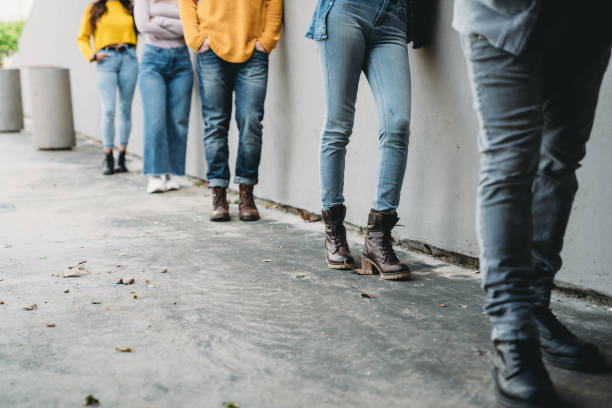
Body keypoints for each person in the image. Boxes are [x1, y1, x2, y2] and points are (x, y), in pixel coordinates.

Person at [453, 1, 611, 406]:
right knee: (509, 164)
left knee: (559, 161)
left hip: (587, 21)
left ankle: (535, 308)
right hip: (503, 13)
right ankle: (512, 333)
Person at [306, 0, 426, 280]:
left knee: (398, 123)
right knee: (339, 124)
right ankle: (334, 231)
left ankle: (377, 237)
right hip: (346, 11)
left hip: (393, 17)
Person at [178, 0, 283, 221]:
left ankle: (246, 193)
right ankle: (218, 194)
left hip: (253, 51)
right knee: (215, 124)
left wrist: (267, 40)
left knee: (251, 122)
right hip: (211, 51)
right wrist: (197, 40)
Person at [135, 0, 193, 193]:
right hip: (153, 61)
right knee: (155, 120)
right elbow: (143, 25)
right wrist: (179, 27)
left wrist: (159, 20)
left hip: (182, 61)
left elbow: (192, 26)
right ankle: (155, 175)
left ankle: (170, 173)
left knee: (178, 120)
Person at [78, 0, 139, 175]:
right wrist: (91, 55)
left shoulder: (128, 7)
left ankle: (122, 156)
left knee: (125, 108)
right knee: (108, 110)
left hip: (129, 57)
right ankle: (108, 156)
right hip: (106, 60)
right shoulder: (94, 8)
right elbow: (82, 37)